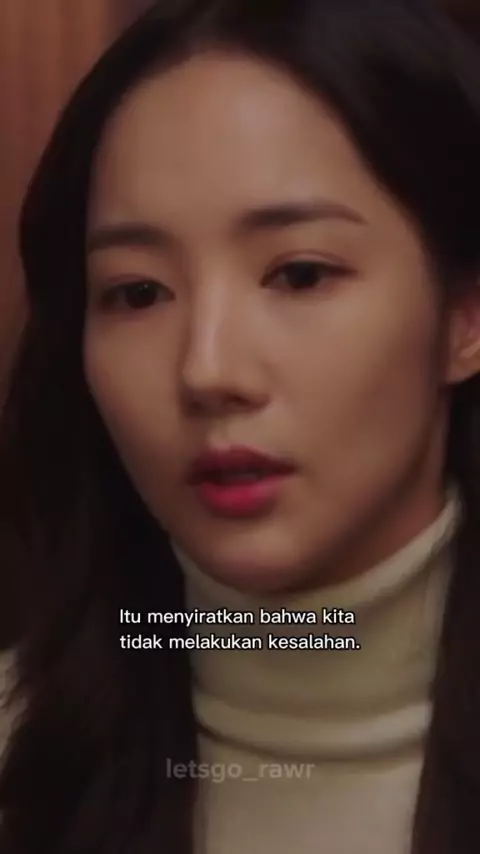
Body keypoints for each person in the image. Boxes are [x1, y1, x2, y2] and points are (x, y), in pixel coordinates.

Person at [1, 0, 480, 851]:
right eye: (138, 292)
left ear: (464, 318)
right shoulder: (22, 756)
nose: (207, 369)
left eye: (299, 275)